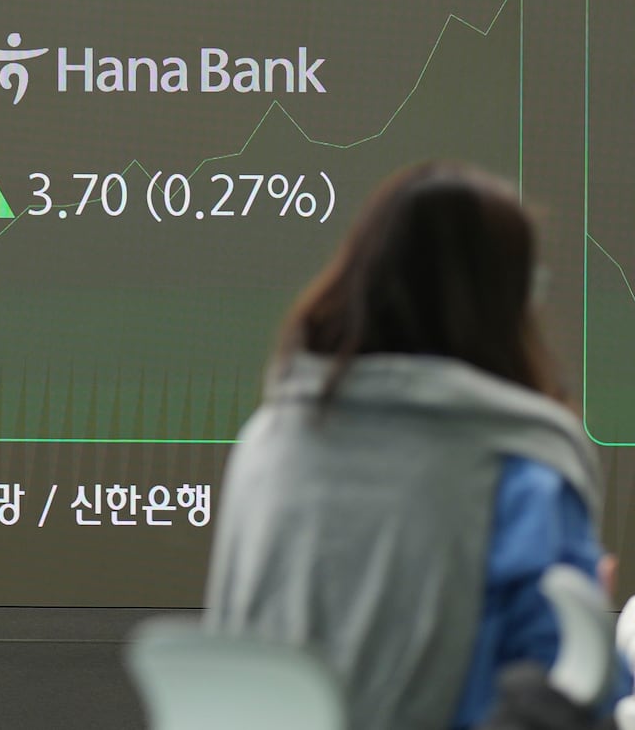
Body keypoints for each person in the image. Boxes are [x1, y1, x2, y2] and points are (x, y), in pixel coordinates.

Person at [203, 161, 628, 730]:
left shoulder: (267, 440)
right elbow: (569, 688)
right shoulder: (520, 468)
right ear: (505, 301)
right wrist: (594, 630)